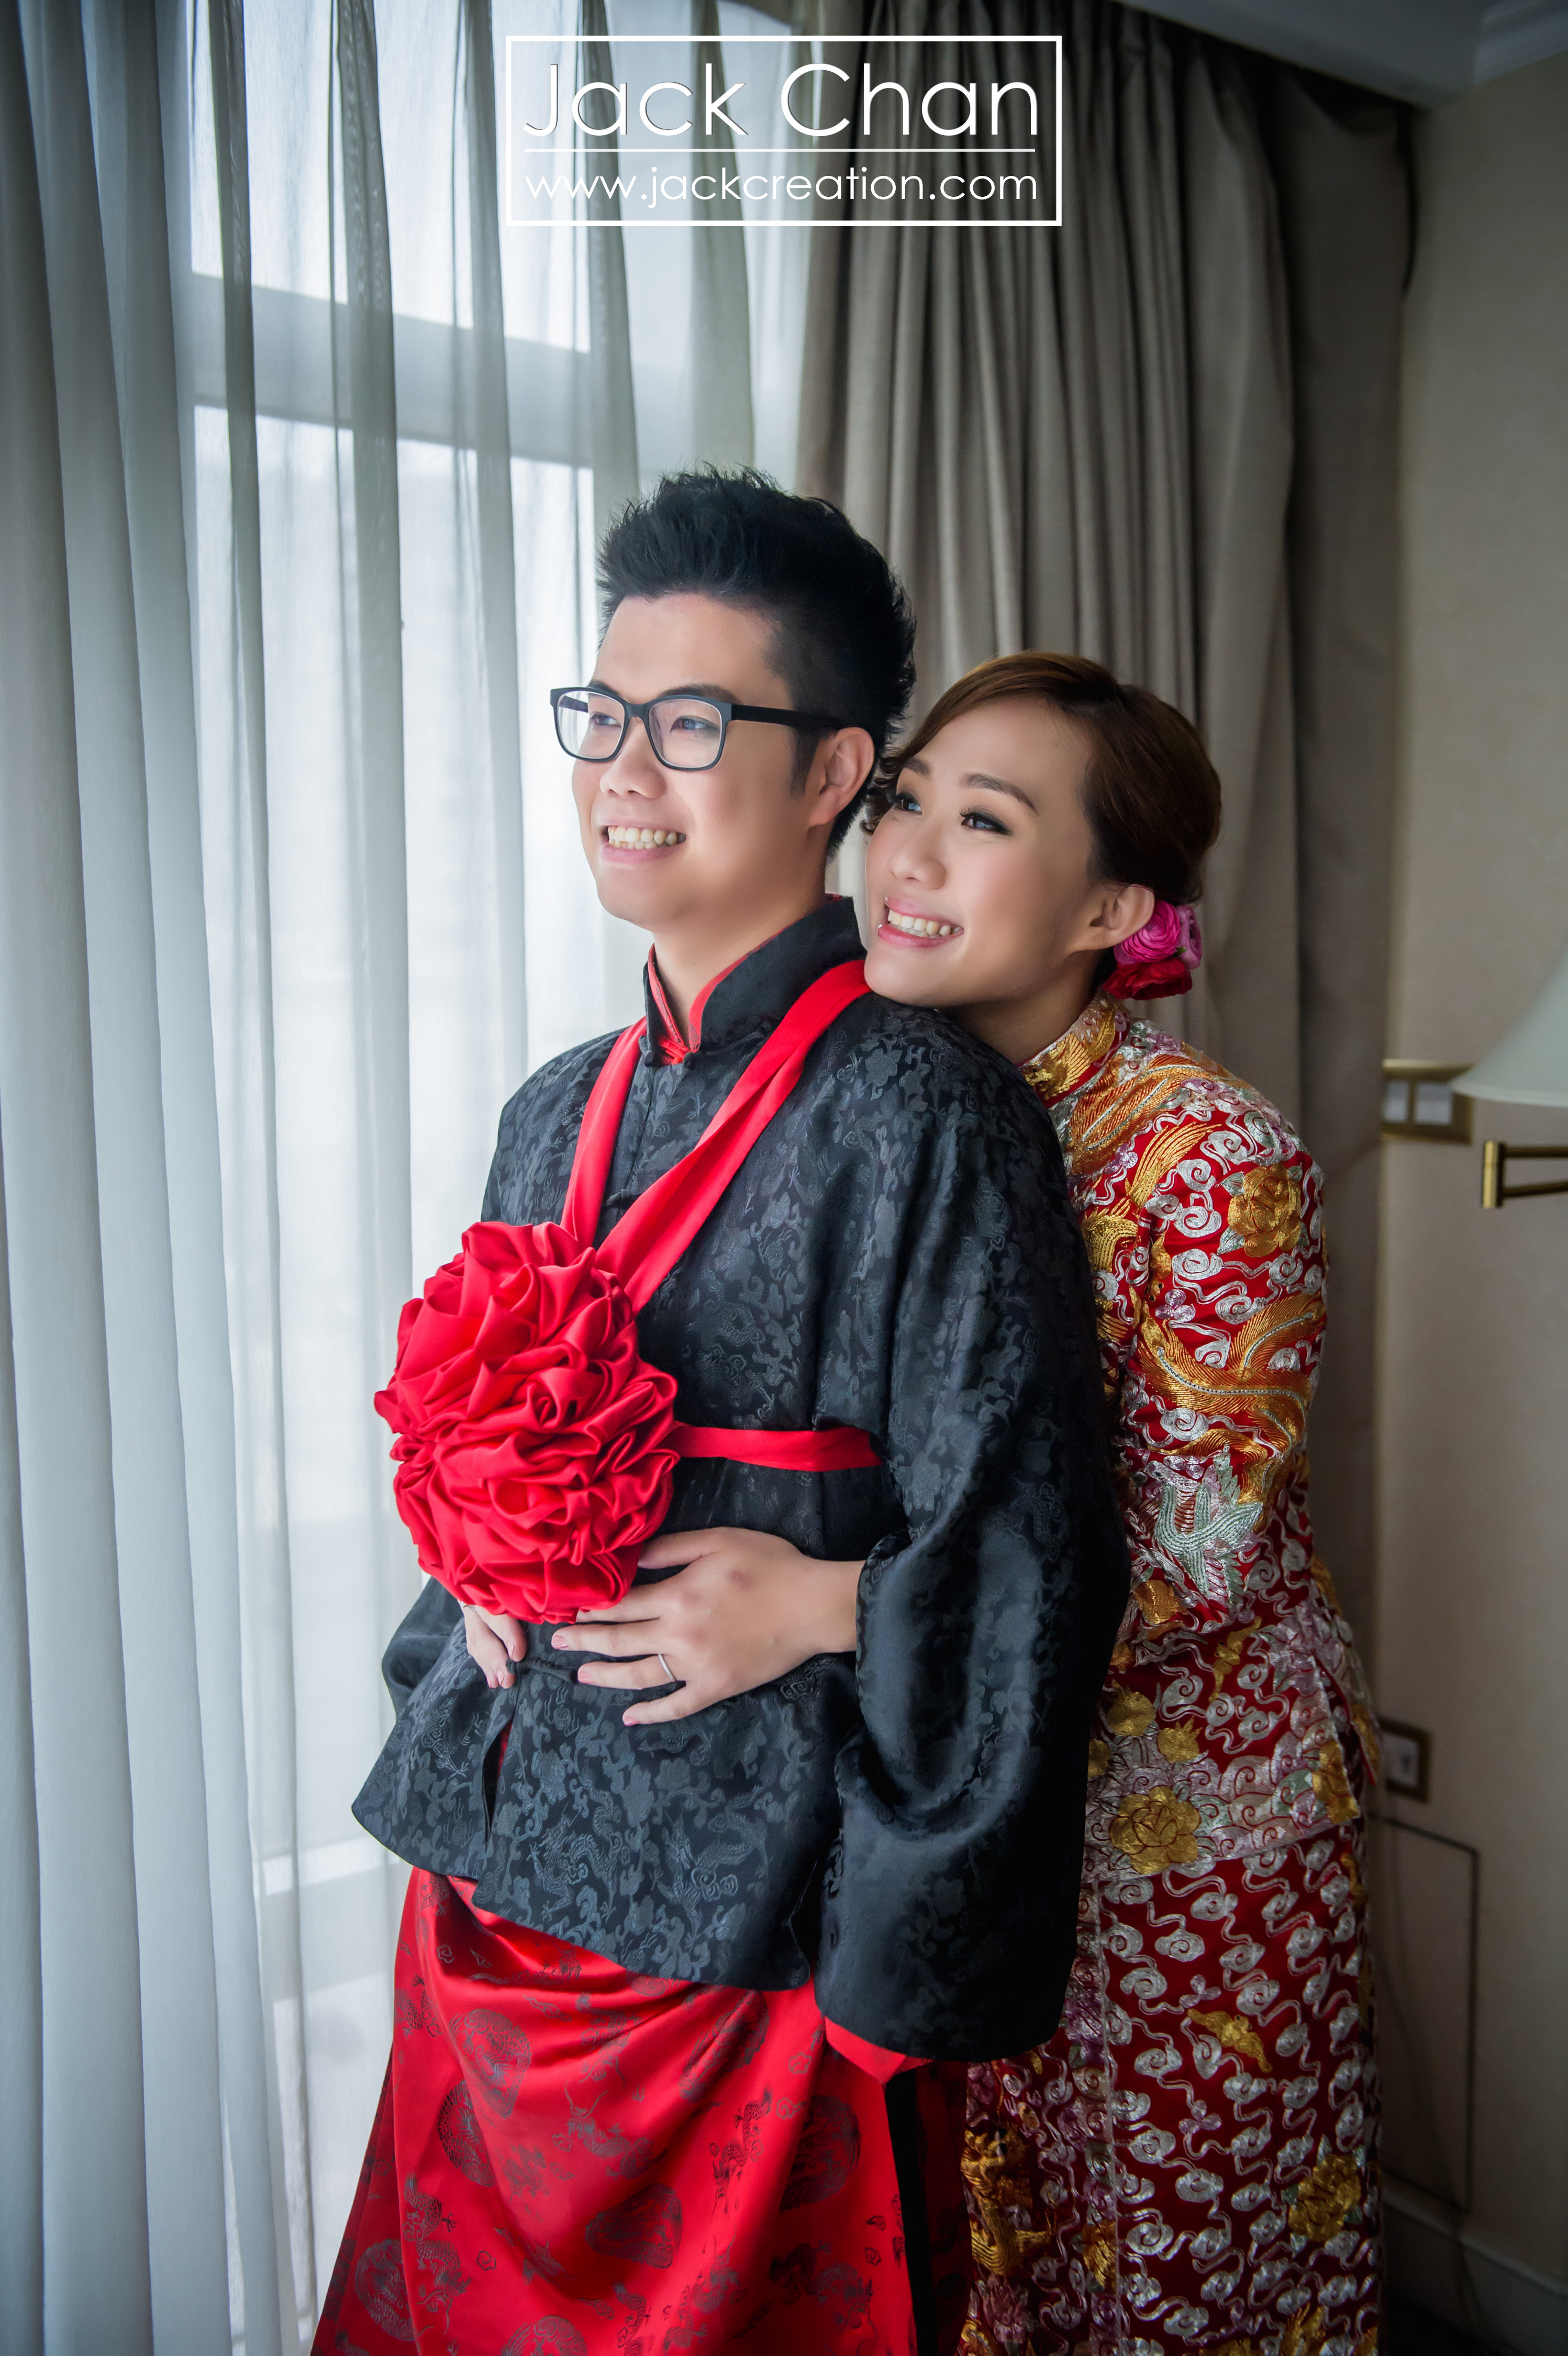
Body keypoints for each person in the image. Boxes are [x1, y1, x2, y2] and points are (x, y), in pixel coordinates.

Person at [317, 486, 1129, 2356]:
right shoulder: (553, 1104)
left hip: (755, 1926)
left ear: (833, 768)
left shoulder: (928, 1115)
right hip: (502, 1876)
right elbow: (481, 1420)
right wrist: (476, 1561)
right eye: (600, 713)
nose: (623, 768)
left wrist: (830, 1610)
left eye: (689, 723)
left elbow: (1032, 1550)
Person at [610, 652, 1382, 2355]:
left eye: (982, 820)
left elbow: (1189, 1557)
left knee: (1181, 2275)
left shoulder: (1207, 1161)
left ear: (1110, 907)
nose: (905, 851)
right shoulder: (876, 1111)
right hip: (945, 1797)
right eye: (903, 800)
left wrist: (819, 1606)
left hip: (1176, 1823)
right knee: (981, 2266)